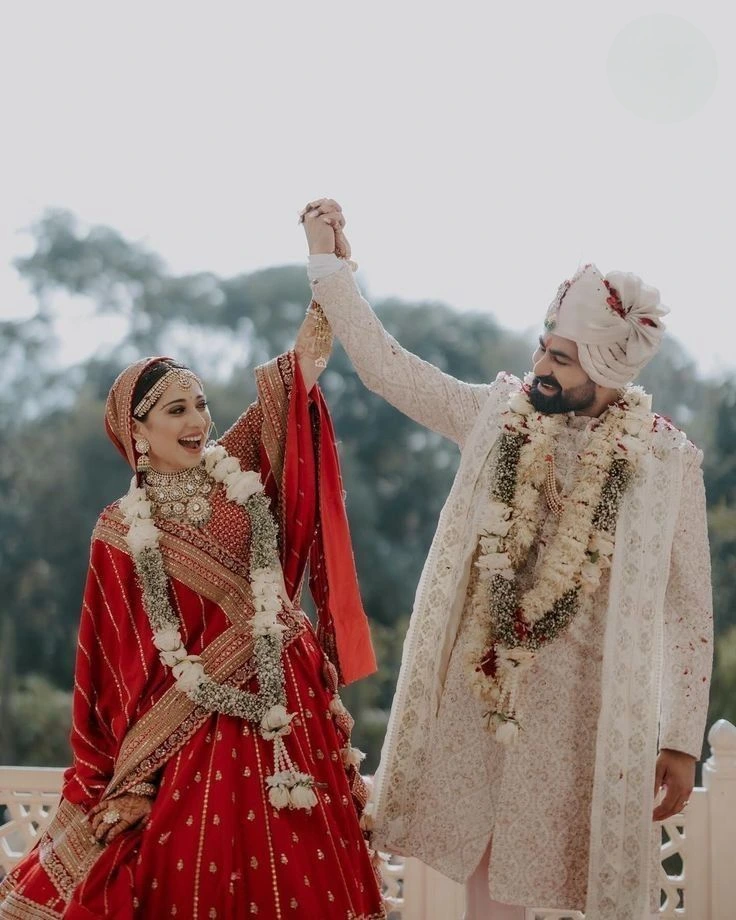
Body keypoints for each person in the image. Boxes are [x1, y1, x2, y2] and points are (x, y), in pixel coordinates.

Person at [300, 198, 713, 920]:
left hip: (589, 714)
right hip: (483, 702)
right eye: (542, 347)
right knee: (488, 897)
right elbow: (388, 369)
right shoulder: (497, 415)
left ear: (606, 370)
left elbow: (689, 607)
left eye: (559, 357)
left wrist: (681, 738)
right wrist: (330, 268)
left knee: (582, 884)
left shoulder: (664, 460)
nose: (539, 366)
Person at [0, 268, 387, 919]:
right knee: (196, 875)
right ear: (137, 432)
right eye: (177, 410)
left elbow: (296, 377)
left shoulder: (231, 468)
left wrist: (327, 264)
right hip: (191, 731)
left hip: (288, 703)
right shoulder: (121, 531)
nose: (198, 421)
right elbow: (111, 666)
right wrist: (124, 774)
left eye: (201, 405)